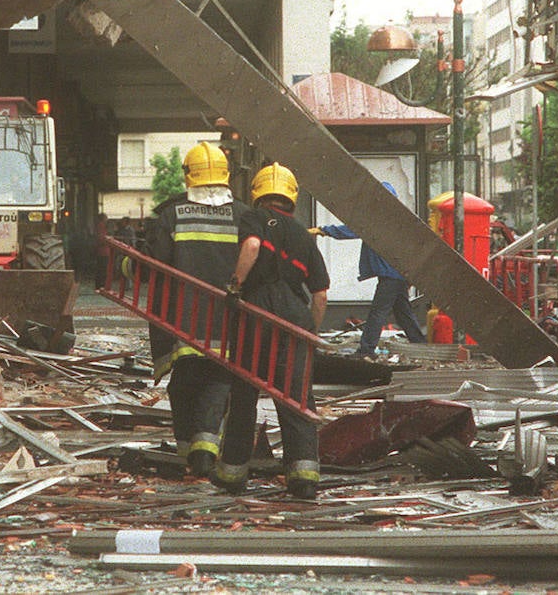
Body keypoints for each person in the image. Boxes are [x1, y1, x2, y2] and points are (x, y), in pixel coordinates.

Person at [214, 163, 329, 501]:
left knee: (244, 396)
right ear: (291, 197)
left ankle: (233, 475)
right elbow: (321, 295)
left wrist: (235, 286)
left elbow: (251, 247)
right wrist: (310, 332)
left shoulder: (254, 217)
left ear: (259, 193)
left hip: (255, 317)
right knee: (296, 398)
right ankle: (304, 477)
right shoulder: (303, 236)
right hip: (293, 320)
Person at [147, 141, 249, 477]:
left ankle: (188, 450)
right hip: (229, 325)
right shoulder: (245, 216)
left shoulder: (171, 216)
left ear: (188, 176)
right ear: (226, 175)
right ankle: (204, 449)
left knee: (183, 383)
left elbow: (154, 266)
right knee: (219, 382)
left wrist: (123, 269)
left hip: (184, 324)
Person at [310, 181, 426, 354]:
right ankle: (420, 344)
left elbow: (350, 231)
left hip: (391, 276)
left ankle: (366, 349)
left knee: (377, 313)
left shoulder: (377, 221)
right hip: (397, 275)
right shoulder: (396, 222)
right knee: (403, 313)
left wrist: (323, 230)